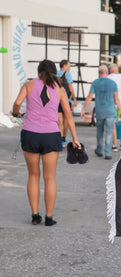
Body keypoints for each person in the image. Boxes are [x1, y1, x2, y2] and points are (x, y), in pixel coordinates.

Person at [11, 59, 81, 226]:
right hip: (51, 135)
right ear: (55, 72)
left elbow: (18, 103)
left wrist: (16, 113)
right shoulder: (60, 89)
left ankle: (35, 215)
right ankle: (49, 217)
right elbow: (68, 116)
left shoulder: (29, 85)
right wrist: (75, 138)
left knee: (33, 175)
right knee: (50, 178)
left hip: (30, 134)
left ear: (38, 72)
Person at [81, 65, 121, 160]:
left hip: (100, 111)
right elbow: (116, 99)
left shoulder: (95, 83)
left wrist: (84, 109)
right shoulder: (113, 83)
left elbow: (90, 97)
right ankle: (107, 153)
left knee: (99, 131)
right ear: (107, 73)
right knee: (109, 132)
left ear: (99, 73)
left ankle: (99, 150)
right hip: (110, 111)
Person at [57, 60, 77, 147]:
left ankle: (59, 138)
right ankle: (63, 138)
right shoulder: (67, 74)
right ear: (64, 66)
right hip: (66, 100)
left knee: (59, 120)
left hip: (57, 100)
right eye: (69, 65)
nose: (70, 67)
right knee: (66, 119)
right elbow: (70, 88)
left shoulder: (55, 74)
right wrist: (74, 99)